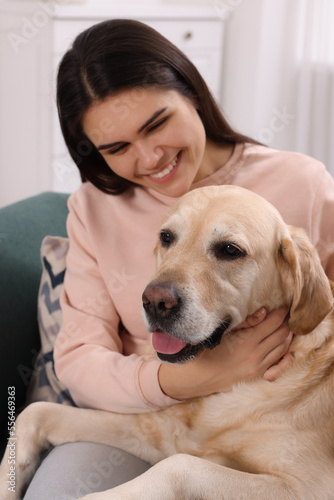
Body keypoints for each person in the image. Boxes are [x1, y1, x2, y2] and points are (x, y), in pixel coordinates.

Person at [24, 19, 334, 499]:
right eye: (117, 148)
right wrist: (187, 379)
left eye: (156, 124)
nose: (149, 159)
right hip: (143, 421)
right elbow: (80, 360)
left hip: (268, 427)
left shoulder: (303, 184)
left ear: (193, 92)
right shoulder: (93, 209)